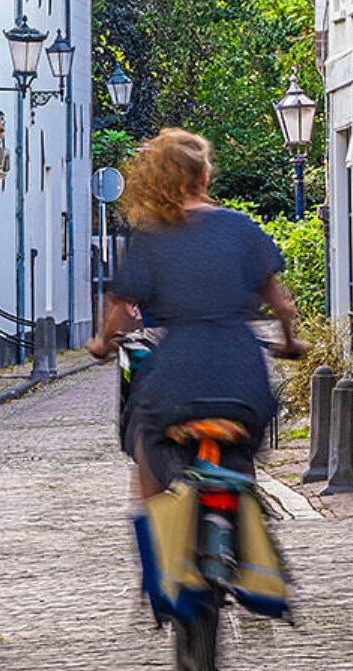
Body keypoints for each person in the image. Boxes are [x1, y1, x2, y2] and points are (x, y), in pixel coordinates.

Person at [86, 129, 305, 496]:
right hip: (241, 373)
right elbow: (282, 305)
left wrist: (103, 344)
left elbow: (121, 311)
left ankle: (160, 549)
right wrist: (289, 342)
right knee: (240, 457)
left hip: (178, 375)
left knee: (148, 460)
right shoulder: (240, 227)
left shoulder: (153, 235)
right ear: (204, 177)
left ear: (161, 181)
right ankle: (248, 535)